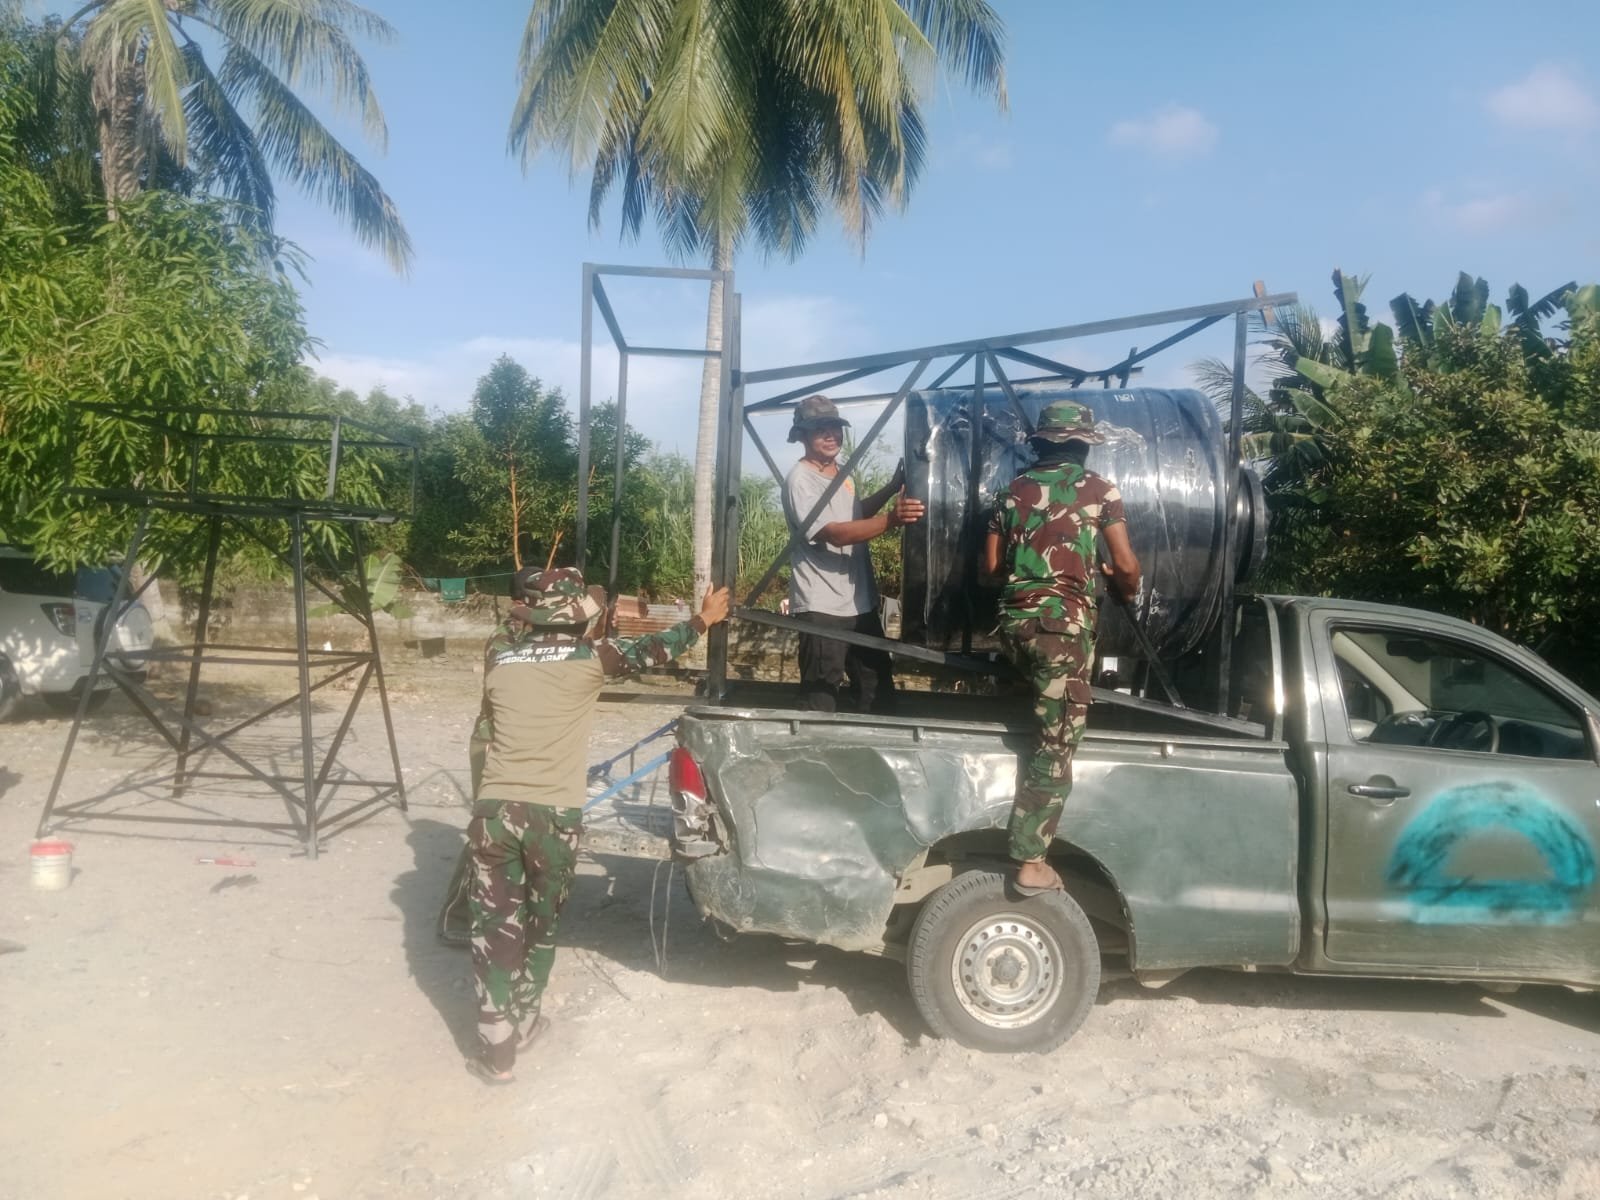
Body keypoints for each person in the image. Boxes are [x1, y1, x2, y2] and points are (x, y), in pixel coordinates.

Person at [463, 566, 730, 1084]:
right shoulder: (591, 659)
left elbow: (484, 732)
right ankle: (526, 1020)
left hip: (494, 813)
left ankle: (497, 1052)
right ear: (578, 620)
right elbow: (653, 650)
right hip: (554, 818)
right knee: (540, 926)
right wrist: (703, 620)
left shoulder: (499, 659)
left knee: (494, 930)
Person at [981, 399, 1141, 896]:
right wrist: (1125, 585)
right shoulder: (1099, 490)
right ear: (1082, 446)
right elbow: (1126, 565)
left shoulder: (1011, 492)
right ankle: (1031, 860)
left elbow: (992, 571)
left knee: (1030, 723)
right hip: (1061, 634)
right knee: (1057, 744)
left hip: (1013, 627)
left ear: (1043, 444)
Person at [782, 394, 924, 713]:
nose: (830, 435)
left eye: (834, 427)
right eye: (820, 429)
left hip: (860, 604)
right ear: (802, 435)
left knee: (876, 689)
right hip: (822, 605)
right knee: (820, 695)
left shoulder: (841, 473)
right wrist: (891, 520)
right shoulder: (800, 480)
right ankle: (812, 741)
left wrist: (891, 488)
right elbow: (832, 532)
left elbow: (854, 514)